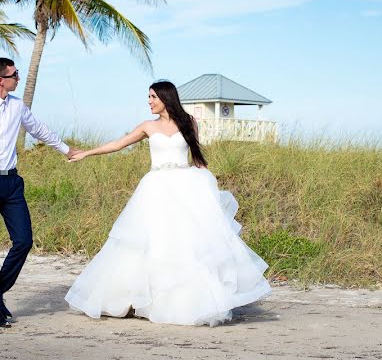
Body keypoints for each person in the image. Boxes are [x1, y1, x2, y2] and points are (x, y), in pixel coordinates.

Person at [64, 81, 271, 326]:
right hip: (156, 187)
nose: (149, 101)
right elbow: (118, 144)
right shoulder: (148, 126)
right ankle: (137, 298)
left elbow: (197, 157)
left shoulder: (189, 121)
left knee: (187, 242)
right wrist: (86, 153)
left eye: (153, 97)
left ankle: (185, 300)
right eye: (148, 97)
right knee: (151, 241)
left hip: (186, 185)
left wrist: (208, 187)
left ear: (165, 97)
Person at [0, 57, 77, 328]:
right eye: (14, 74)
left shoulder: (18, 105)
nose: (18, 78)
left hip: (11, 183)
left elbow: (39, 129)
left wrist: (66, 149)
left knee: (24, 240)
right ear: (0, 80)